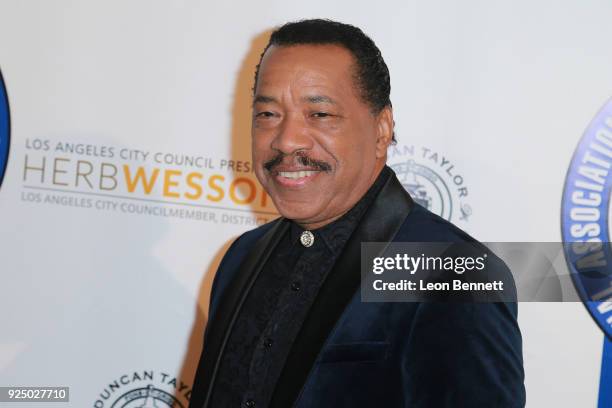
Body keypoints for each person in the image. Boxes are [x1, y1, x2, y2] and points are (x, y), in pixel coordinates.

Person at [190, 19, 525, 408]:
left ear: (382, 130)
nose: (286, 139)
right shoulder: (241, 257)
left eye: (319, 114)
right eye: (268, 115)